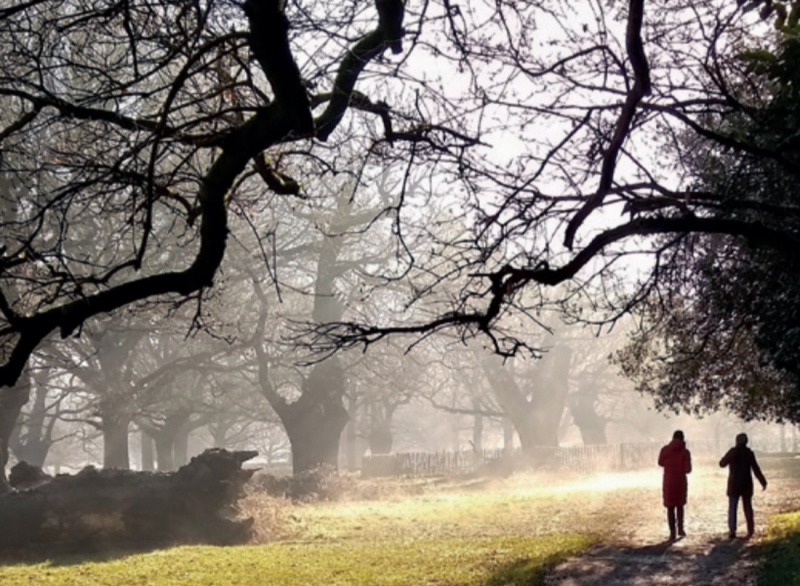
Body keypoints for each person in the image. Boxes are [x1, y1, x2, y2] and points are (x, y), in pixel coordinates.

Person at [719, 433, 767, 539]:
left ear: (736, 441)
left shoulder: (732, 452)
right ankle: (750, 529)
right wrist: (763, 481)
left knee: (732, 507)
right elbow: (756, 469)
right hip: (746, 484)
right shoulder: (749, 453)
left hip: (733, 483)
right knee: (747, 507)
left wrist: (728, 457)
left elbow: (722, 463)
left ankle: (732, 530)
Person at [658, 430, 692, 540]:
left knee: (670, 507)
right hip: (680, 481)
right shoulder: (685, 452)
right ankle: (681, 528)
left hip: (668, 481)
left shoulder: (665, 450)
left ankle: (672, 531)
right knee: (680, 506)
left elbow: (660, 462)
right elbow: (688, 469)